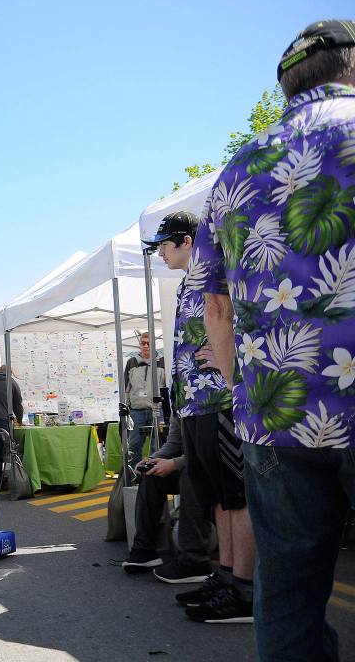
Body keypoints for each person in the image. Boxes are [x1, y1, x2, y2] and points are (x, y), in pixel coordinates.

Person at [189, 20, 355, 659]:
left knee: (286, 592)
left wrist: (241, 386)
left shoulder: (237, 171)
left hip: (275, 411)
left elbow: (216, 305)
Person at [143, 211, 256, 625]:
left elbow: (243, 315)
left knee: (236, 496)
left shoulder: (219, 268)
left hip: (220, 401)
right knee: (219, 499)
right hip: (195, 405)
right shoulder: (190, 280)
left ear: (187, 241)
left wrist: (231, 358)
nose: (160, 255)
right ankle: (227, 577)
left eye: (164, 246)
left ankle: (245, 588)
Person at [121, 416, 213, 583]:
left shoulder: (210, 396)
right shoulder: (180, 399)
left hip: (215, 468)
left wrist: (174, 463)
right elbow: (173, 443)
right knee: (151, 475)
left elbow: (211, 450)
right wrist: (152, 460)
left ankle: (195, 559)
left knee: (191, 474)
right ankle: (144, 549)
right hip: (190, 462)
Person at [123, 332, 165, 470]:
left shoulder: (163, 361)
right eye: (143, 343)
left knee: (157, 446)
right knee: (134, 445)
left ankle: (154, 475)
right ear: (140, 344)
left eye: (149, 343)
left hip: (157, 410)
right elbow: (126, 387)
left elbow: (166, 386)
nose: (146, 346)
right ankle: (135, 475)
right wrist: (127, 405)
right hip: (136, 410)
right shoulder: (131, 362)